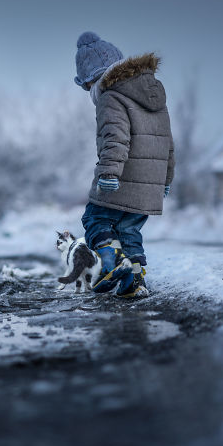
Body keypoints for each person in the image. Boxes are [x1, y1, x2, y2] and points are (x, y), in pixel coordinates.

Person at [73, 31, 175, 297]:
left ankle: (112, 262)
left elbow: (115, 137)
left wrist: (108, 172)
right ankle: (135, 281)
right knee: (129, 230)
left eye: (87, 87)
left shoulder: (110, 95)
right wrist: (165, 181)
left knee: (95, 218)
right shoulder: (153, 95)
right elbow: (168, 143)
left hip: (121, 176)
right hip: (150, 185)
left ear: (93, 79)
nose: (90, 94)